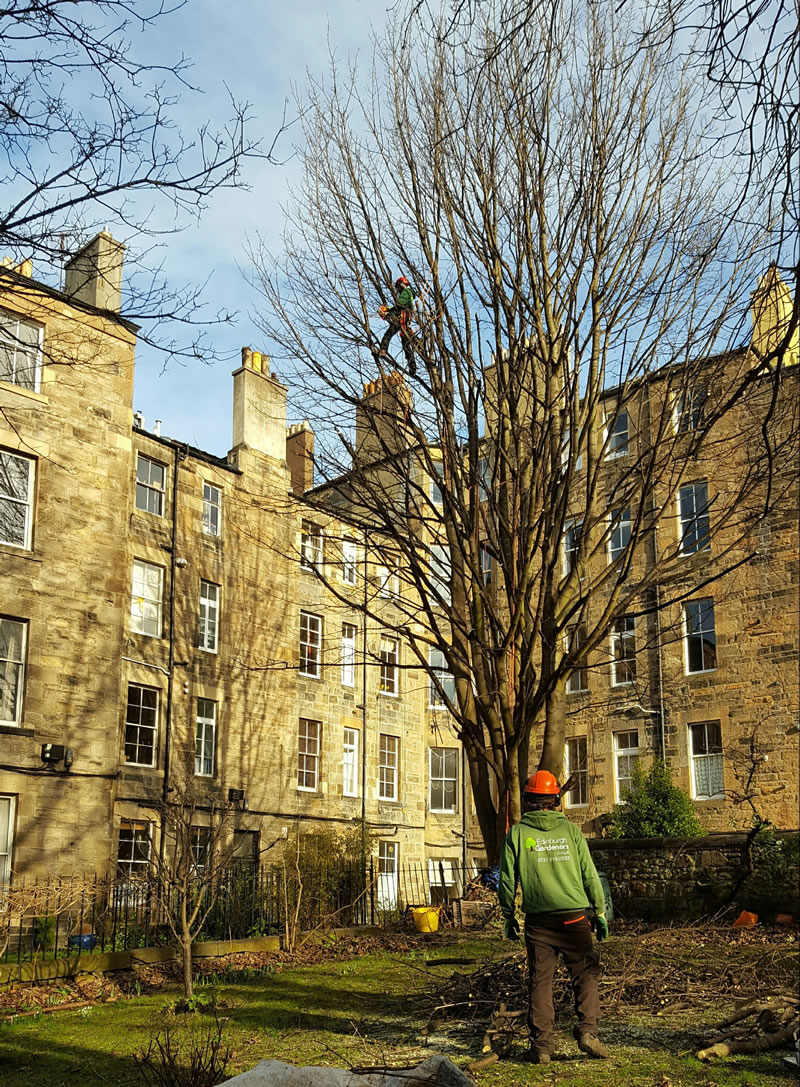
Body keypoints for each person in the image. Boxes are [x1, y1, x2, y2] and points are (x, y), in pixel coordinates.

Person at [498, 769, 610, 1064]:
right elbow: (589, 875)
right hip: (574, 919)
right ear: (555, 800)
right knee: (585, 975)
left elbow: (507, 881)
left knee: (540, 982)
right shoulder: (572, 832)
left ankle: (542, 1047)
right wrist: (598, 911)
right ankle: (588, 1033)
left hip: (539, 923)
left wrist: (508, 915)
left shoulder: (518, 834)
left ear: (529, 801)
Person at [375, 275, 417, 374]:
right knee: (406, 344)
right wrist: (389, 312)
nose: (398, 290)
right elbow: (399, 307)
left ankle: (383, 350)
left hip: (402, 318)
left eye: (398, 287)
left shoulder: (406, 292)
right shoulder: (410, 294)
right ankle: (412, 366)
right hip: (406, 320)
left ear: (402, 284)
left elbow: (399, 305)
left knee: (389, 333)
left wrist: (388, 310)